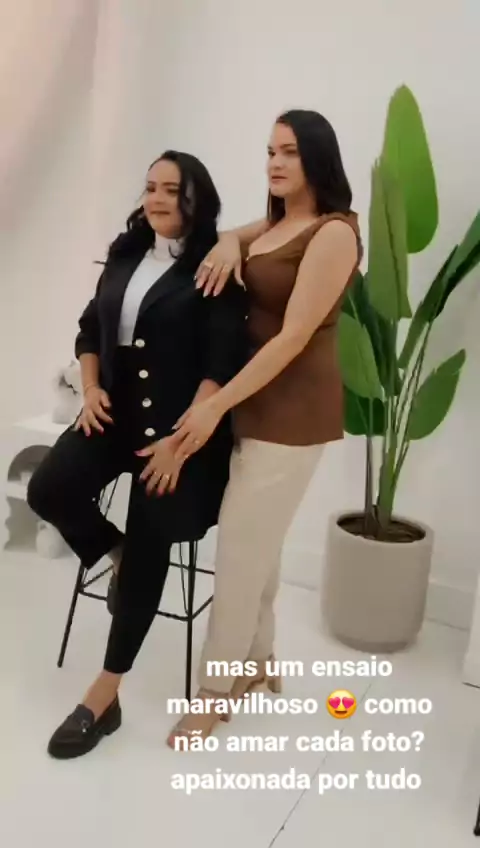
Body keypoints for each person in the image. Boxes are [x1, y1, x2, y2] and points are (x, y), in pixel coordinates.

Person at [27, 151, 247, 759]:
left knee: (152, 538)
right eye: (150, 187)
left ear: (196, 199)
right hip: (113, 415)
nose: (157, 199)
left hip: (178, 434)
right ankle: (114, 550)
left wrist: (182, 442)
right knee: (48, 489)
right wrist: (90, 388)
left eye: (172, 189)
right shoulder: (125, 254)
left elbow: (221, 365)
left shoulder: (213, 268)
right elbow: (88, 330)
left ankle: (105, 694)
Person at [165, 110, 362, 746]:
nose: (275, 163)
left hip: (290, 412)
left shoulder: (333, 233)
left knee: (240, 552)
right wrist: (228, 241)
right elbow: (245, 236)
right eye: (270, 151)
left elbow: (292, 338)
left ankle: (213, 692)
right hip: (253, 402)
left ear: (318, 159)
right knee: (259, 543)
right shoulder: (280, 223)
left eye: (290, 152)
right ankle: (255, 659)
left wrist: (214, 406)